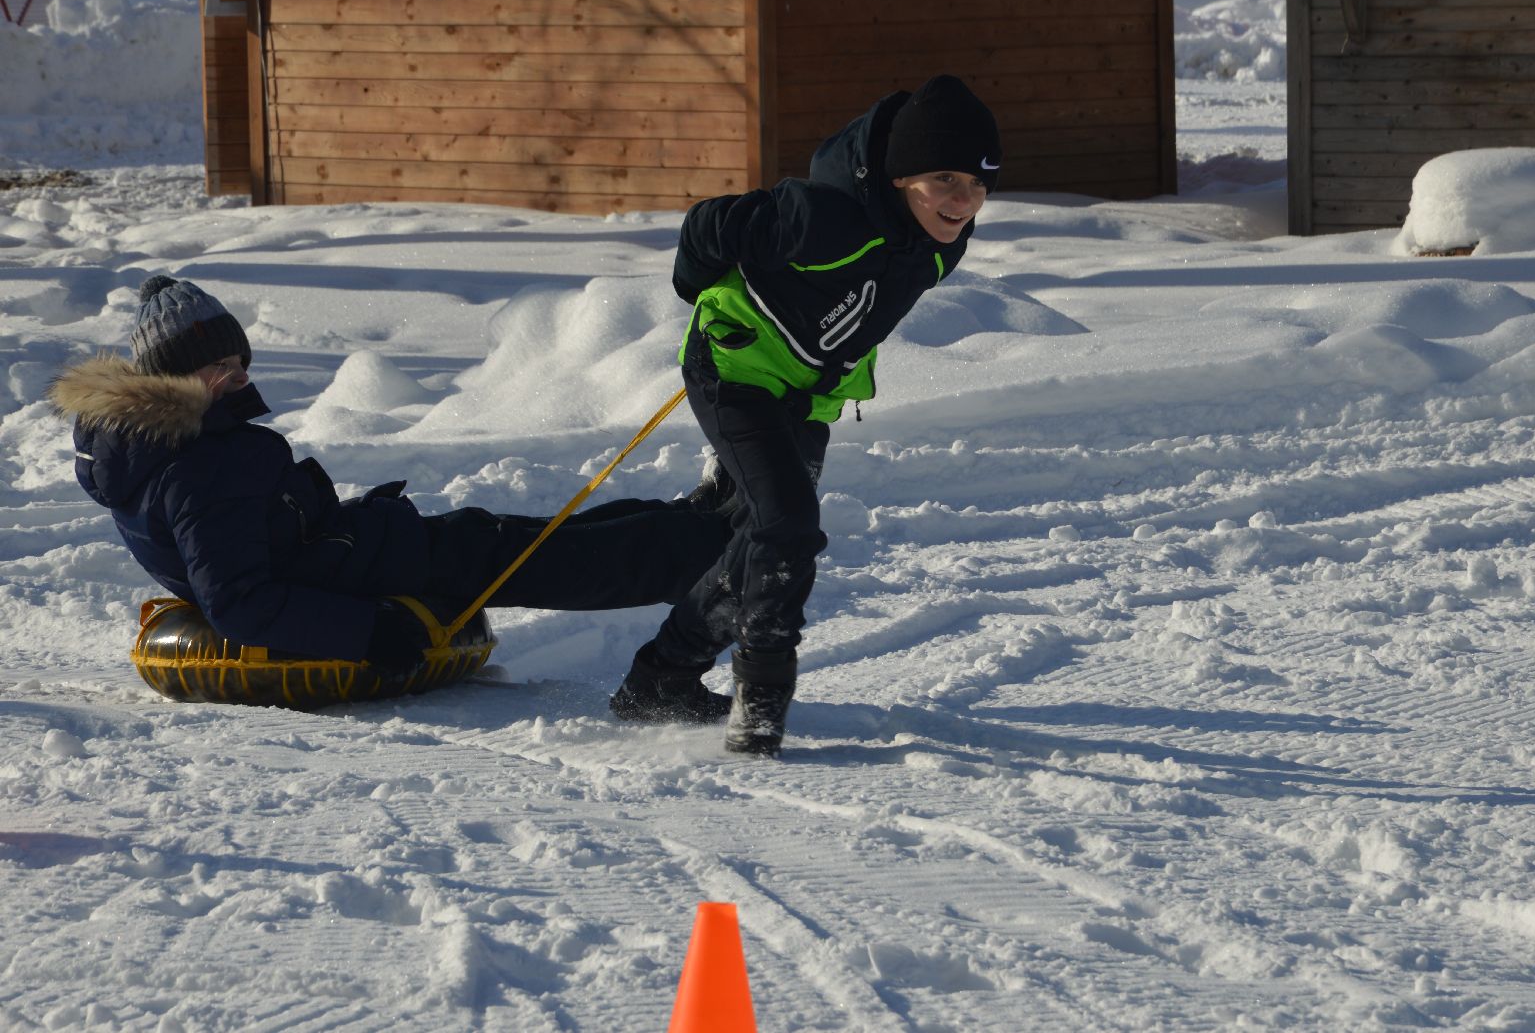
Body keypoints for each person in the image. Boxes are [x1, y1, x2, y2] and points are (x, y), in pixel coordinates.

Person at [52, 275, 732, 702]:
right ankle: (700, 549)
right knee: (533, 557)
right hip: (350, 580)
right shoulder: (200, 466)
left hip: (344, 553)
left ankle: (692, 524)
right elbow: (236, 599)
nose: (233, 377)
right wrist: (368, 634)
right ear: (168, 381)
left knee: (515, 538)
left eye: (237, 362)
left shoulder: (160, 449)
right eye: (214, 367)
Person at [609, 74, 1001, 755]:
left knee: (757, 543)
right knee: (787, 526)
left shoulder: (945, 240)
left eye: (977, 183)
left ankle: (660, 680)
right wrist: (702, 296)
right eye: (945, 178)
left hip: (806, 392)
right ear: (902, 175)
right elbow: (707, 227)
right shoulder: (821, 218)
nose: (962, 200)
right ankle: (761, 704)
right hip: (732, 371)